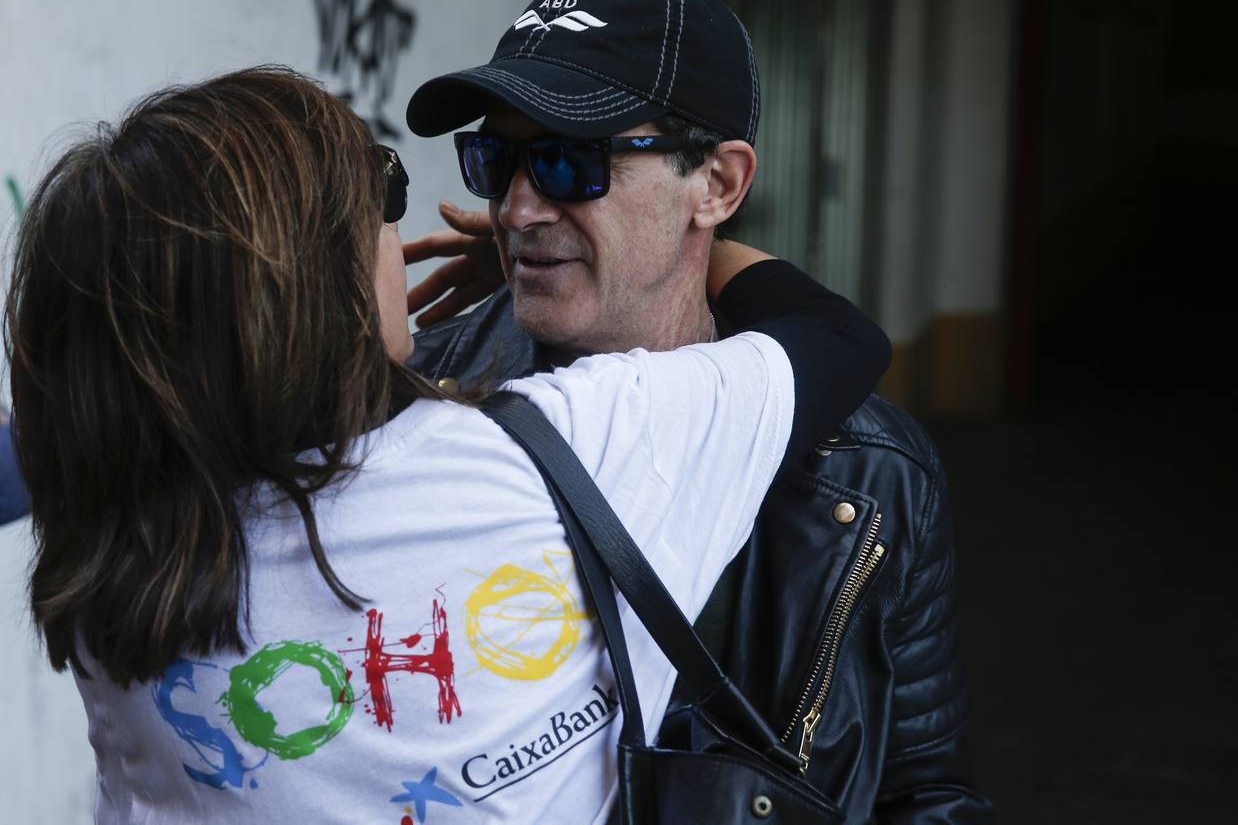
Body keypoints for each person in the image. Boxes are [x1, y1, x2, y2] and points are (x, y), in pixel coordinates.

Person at [6, 66, 888, 823]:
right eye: (382, 192)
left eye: (563, 167)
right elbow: (834, 338)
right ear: (330, 277)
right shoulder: (556, 454)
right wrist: (687, 233)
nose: (512, 209)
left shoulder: (102, 497)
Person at [404, 0, 993, 821]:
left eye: (570, 164)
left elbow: (923, 790)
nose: (518, 210)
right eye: (496, 160)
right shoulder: (415, 403)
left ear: (716, 184)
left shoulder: (870, 473)